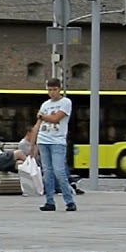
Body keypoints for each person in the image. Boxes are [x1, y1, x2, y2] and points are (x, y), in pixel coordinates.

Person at [37, 78, 76, 212]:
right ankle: (49, 201)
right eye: (50, 90)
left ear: (59, 89)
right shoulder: (45, 104)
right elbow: (39, 123)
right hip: (43, 139)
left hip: (57, 141)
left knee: (59, 171)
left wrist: (43, 117)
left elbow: (56, 118)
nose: (52, 92)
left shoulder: (65, 102)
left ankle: (69, 200)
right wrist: (33, 142)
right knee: (47, 172)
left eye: (54, 89)